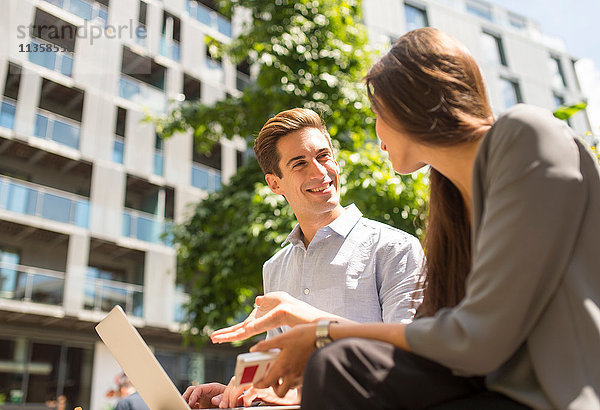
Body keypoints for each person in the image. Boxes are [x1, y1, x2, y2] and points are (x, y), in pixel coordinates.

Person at [247, 27, 600, 409]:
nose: (378, 138)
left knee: (337, 361)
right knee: (339, 368)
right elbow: (436, 331)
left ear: (410, 107)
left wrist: (323, 331)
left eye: (378, 115)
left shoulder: (527, 136)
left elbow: (477, 338)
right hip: (485, 382)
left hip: (552, 393)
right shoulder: (450, 201)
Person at [183, 108, 424, 408]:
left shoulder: (394, 247)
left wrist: (295, 391)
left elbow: (408, 358)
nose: (320, 172)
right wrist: (237, 394)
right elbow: (274, 371)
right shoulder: (274, 267)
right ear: (275, 184)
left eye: (323, 156)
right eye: (299, 163)